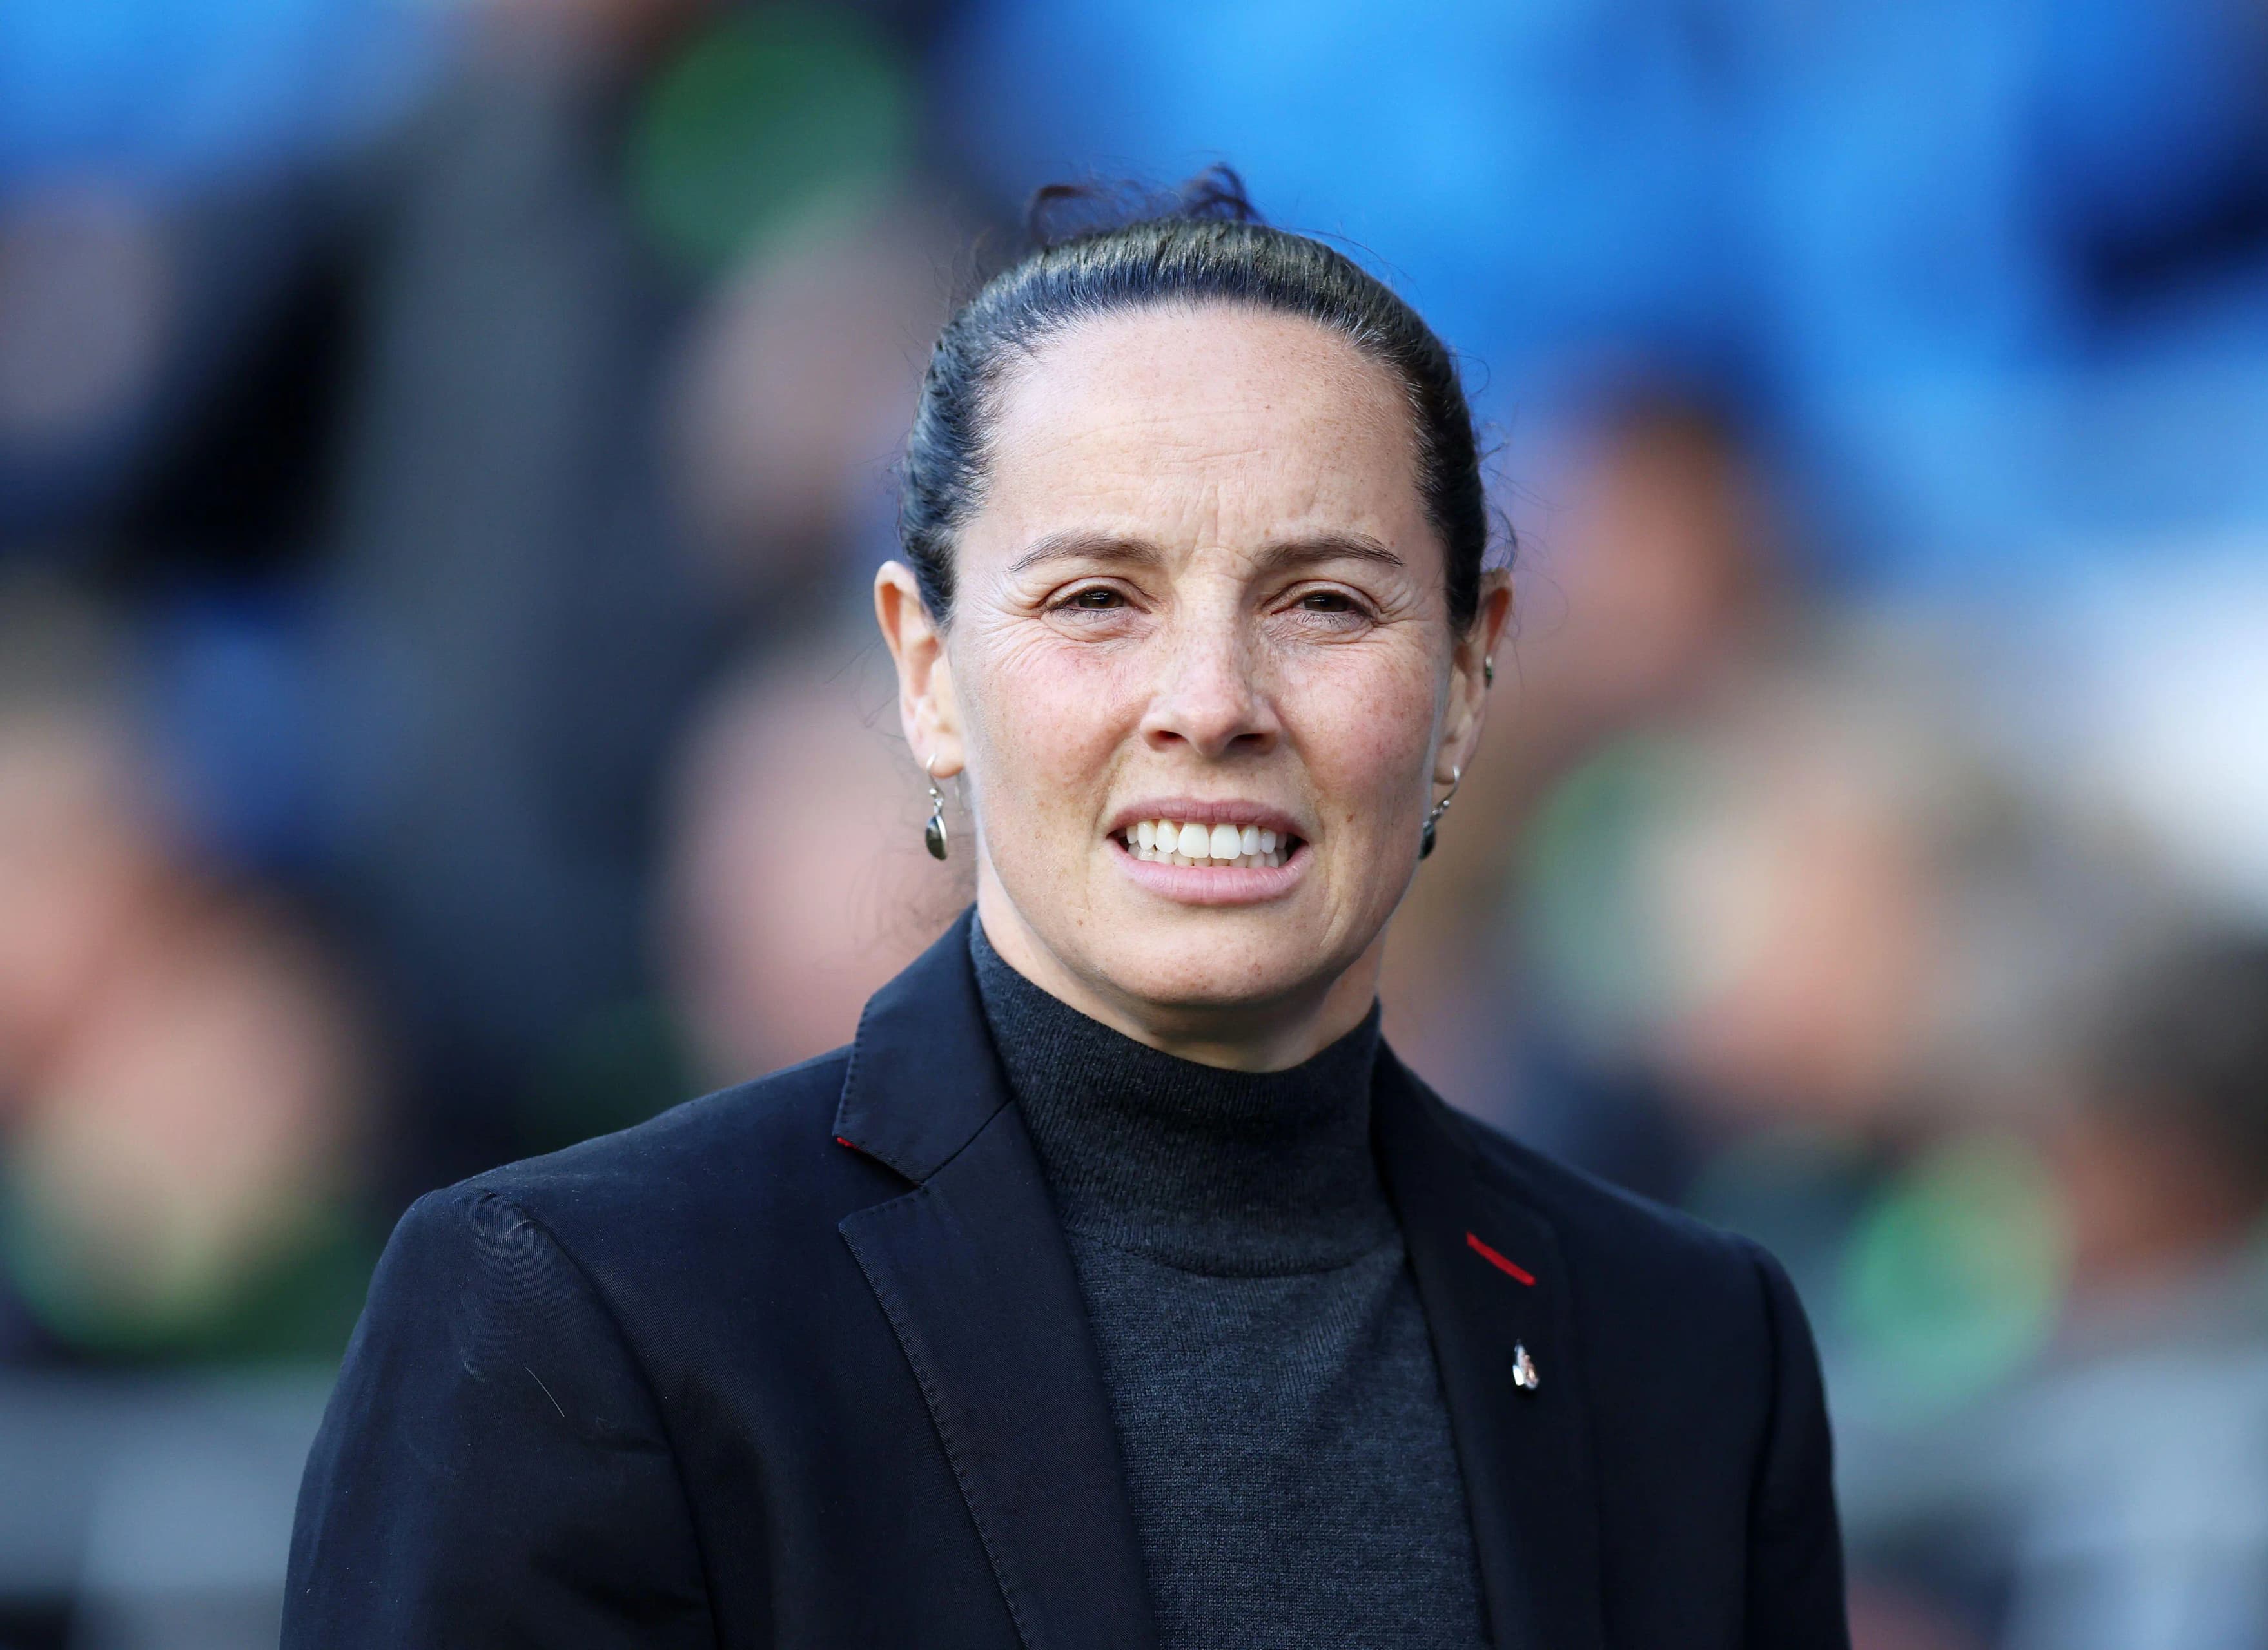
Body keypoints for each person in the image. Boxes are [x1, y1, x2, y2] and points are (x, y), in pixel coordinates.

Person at [281, 173, 1849, 1649]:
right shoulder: (582, 1307)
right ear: (926, 668)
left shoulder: (1691, 1349)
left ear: (1468, 675)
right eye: (1098, 596)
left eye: (1325, 601)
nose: (1213, 701)